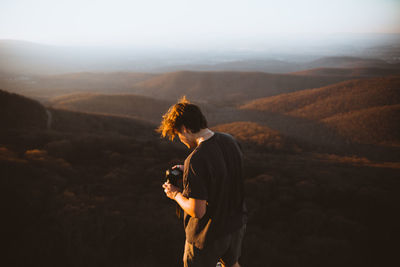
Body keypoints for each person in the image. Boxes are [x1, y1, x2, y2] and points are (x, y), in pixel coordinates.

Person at [159, 97, 247, 267]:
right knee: (231, 263)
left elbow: (197, 211)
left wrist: (175, 194)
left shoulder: (196, 159)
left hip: (207, 236)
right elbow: (226, 172)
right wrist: (191, 173)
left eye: (178, 135)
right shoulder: (230, 140)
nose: (181, 140)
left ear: (184, 129)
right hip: (236, 225)